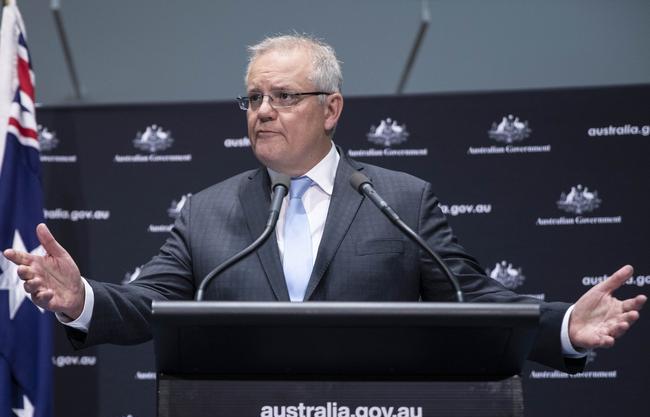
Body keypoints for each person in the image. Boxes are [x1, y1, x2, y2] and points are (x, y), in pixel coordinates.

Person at [3, 34, 646, 372]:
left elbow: (476, 303)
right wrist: (81, 296)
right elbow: (151, 304)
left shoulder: (400, 199)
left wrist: (563, 326)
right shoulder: (205, 210)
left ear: (331, 108)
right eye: (253, 99)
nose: (262, 111)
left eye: (283, 96)